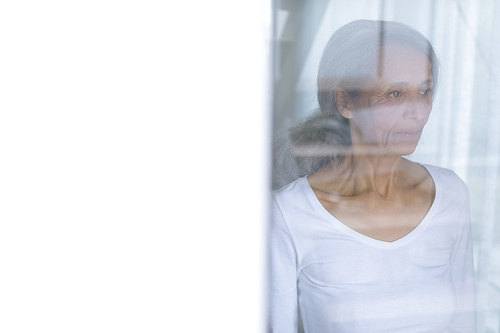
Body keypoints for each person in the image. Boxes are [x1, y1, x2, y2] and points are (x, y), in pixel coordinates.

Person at [269, 20, 476, 332]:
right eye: (394, 93)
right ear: (345, 102)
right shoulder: (290, 214)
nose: (418, 111)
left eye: (425, 91)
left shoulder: (450, 194)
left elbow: (465, 324)